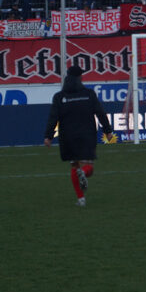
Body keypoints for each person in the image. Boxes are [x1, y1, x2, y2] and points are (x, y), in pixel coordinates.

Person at [43, 65, 115, 207]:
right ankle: (83, 172)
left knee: (74, 166)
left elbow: (53, 117)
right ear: (81, 78)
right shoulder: (89, 94)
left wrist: (48, 136)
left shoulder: (59, 97)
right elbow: (100, 112)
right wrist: (107, 130)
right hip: (86, 134)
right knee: (89, 167)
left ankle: (81, 198)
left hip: (68, 137)